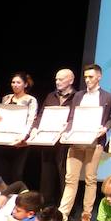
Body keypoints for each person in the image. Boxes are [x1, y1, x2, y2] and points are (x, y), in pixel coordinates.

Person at [59, 64, 111, 221]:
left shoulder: (107, 97)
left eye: (90, 77)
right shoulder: (79, 96)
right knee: (71, 178)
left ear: (99, 77)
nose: (87, 80)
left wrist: (105, 128)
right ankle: (63, 213)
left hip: (94, 142)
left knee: (90, 179)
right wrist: (67, 130)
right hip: (76, 141)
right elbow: (71, 117)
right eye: (85, 77)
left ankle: (87, 214)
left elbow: (110, 117)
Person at [30, 68, 76, 206]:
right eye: (56, 79)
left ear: (71, 80)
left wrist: (67, 128)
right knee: (46, 177)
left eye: (61, 79)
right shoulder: (51, 96)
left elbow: (76, 118)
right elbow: (41, 114)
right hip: (48, 141)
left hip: (65, 143)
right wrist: (35, 128)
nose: (57, 82)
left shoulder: (77, 97)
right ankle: (45, 208)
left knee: (65, 177)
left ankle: (65, 211)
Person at [0, 71, 38, 184]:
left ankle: (16, 199)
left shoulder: (31, 100)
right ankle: (4, 198)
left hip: (21, 141)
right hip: (5, 139)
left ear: (25, 84)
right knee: (4, 172)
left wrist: (24, 137)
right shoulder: (6, 98)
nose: (15, 85)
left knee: (17, 173)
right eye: (13, 82)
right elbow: (1, 117)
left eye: (18, 82)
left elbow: (31, 120)